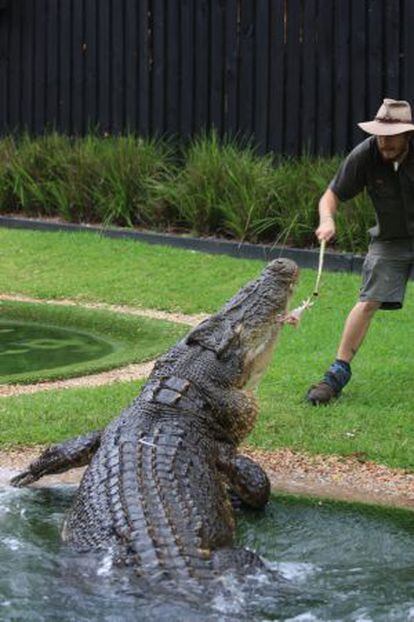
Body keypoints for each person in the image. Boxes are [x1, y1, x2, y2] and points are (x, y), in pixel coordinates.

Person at [306, 98, 414, 405]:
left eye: (391, 136)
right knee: (367, 301)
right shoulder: (366, 155)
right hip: (391, 240)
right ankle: (336, 375)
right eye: (380, 134)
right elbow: (331, 195)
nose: (384, 141)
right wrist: (327, 219)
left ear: (408, 134)